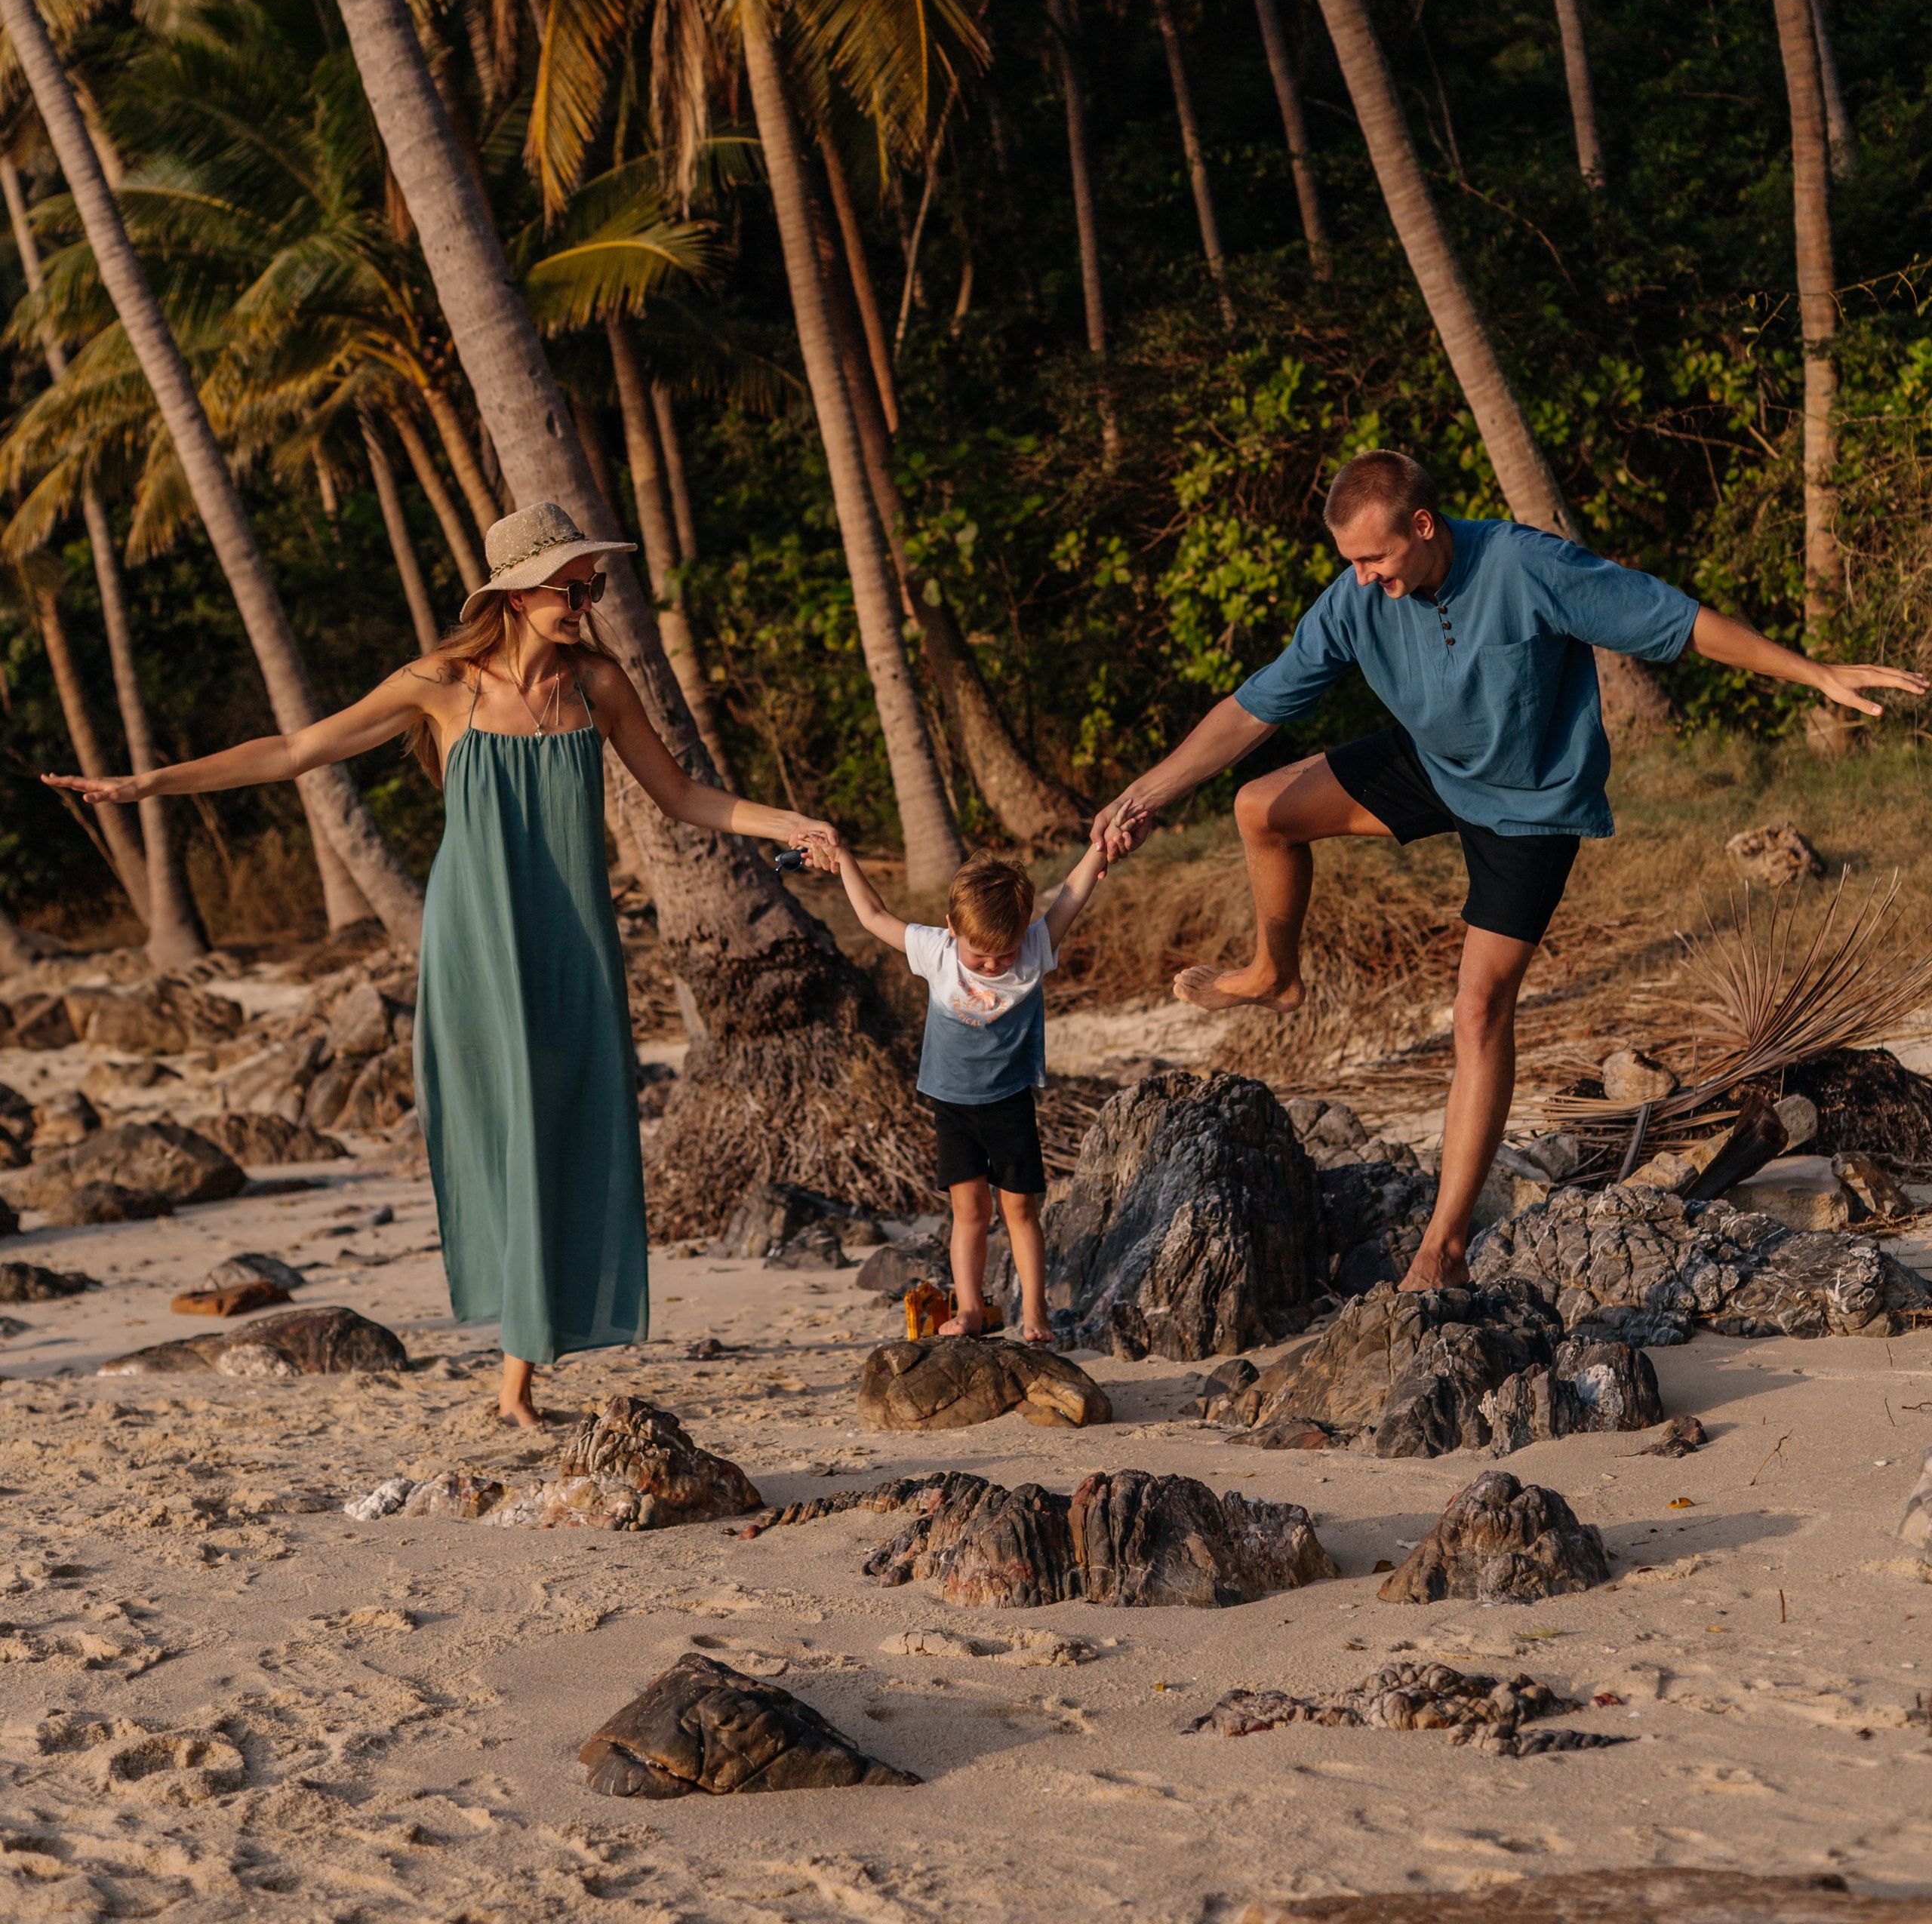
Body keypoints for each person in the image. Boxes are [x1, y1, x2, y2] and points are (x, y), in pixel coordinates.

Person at [45, 503, 836, 1431]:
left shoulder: (595, 686)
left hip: (574, 939)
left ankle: (522, 1370)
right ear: (516, 593)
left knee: (570, 1121)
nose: (585, 601)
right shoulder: (443, 685)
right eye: (570, 586)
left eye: (592, 585)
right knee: (503, 1127)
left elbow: (681, 794)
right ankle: (518, 1377)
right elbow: (296, 750)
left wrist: (791, 822)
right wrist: (149, 785)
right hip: (474, 938)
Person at [1095, 449, 1926, 1292]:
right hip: (1436, 763)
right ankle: (1274, 975)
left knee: (1477, 1009)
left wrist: (1814, 672)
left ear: (1424, 525)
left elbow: (1679, 622)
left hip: (1530, 807)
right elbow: (1254, 707)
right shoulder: (1356, 599)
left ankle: (1444, 1250)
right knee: (1260, 809)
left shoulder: (1526, 565)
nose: (1363, 577)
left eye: (1374, 558)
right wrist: (1144, 793)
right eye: (1351, 561)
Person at [817, 834, 1118, 1343]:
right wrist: (844, 857)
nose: (994, 966)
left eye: (1005, 954)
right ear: (953, 928)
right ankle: (972, 1310)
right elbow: (873, 915)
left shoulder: (1034, 949)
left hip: (1010, 1103)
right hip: (952, 1105)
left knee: (1020, 1210)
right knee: (969, 1212)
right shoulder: (936, 951)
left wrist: (1100, 849)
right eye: (980, 956)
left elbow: (1071, 894)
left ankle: (1035, 1314)